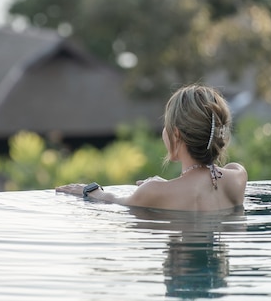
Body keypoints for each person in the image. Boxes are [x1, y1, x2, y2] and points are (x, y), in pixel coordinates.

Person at [55, 84, 247, 211]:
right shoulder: (237, 177)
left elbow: (112, 200)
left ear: (176, 135)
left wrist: (88, 190)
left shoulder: (153, 192)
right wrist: (166, 186)